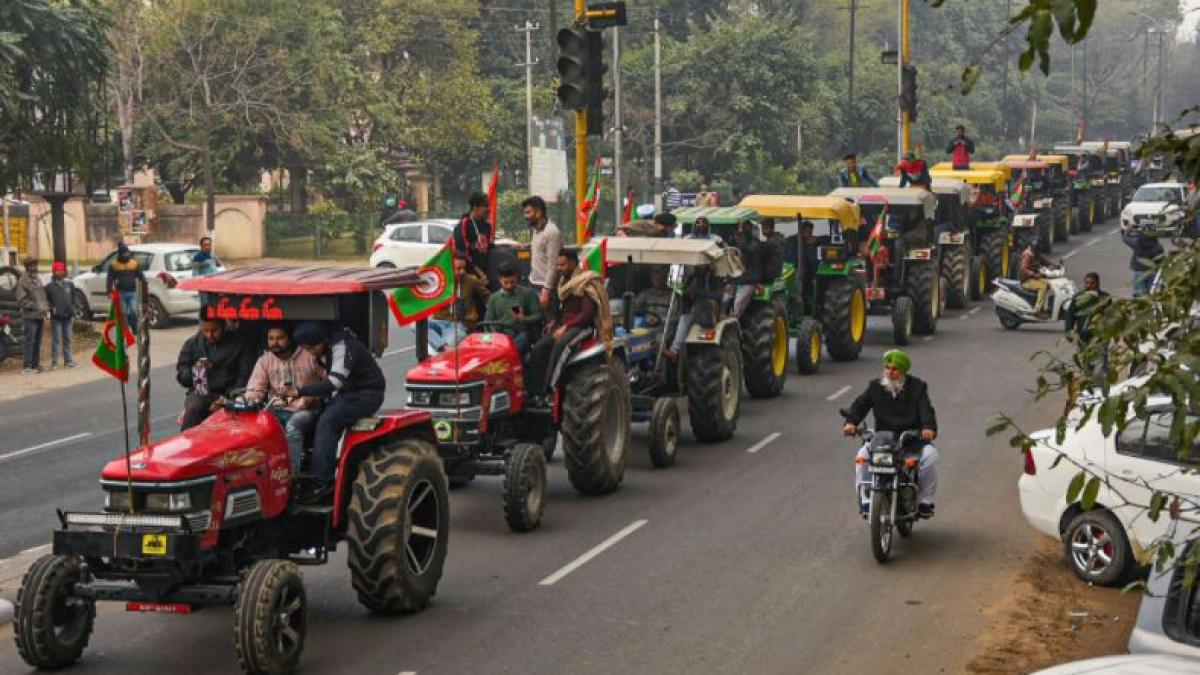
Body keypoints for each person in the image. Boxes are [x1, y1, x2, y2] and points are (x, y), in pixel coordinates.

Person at [293, 321, 388, 502]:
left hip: (367, 393)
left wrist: (299, 391)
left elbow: (334, 382)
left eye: (311, 348)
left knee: (329, 421)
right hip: (347, 393)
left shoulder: (343, 346)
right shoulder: (329, 344)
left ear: (321, 341)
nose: (310, 352)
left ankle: (322, 481)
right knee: (314, 417)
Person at [842, 350, 939, 519]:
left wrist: (928, 427)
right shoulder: (875, 387)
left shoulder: (917, 387)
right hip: (882, 440)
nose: (889, 372)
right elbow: (860, 405)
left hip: (911, 440)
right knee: (862, 457)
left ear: (903, 371)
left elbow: (926, 410)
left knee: (930, 456)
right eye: (887, 368)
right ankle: (866, 500)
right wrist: (851, 423)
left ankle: (925, 501)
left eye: (894, 369)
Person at [525, 250, 613, 405]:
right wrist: (555, 322)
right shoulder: (563, 282)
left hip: (580, 327)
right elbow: (563, 308)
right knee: (539, 348)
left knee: (560, 346)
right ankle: (535, 392)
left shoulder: (586, 282)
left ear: (573, 263)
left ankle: (551, 390)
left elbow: (586, 314)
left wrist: (566, 327)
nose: (560, 268)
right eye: (558, 265)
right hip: (563, 325)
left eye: (563, 264)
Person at [244, 324, 326, 473]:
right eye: (271, 339)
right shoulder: (264, 361)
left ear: (290, 339)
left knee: (293, 425)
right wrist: (248, 401)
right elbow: (255, 390)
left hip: (307, 411)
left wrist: (311, 396)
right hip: (275, 410)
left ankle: (291, 474)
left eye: (280, 338)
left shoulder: (309, 356)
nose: (274, 343)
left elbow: (329, 383)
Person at [176, 318, 257, 429]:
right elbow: (182, 377)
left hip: (231, 394)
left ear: (224, 326)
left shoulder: (241, 344)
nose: (210, 335)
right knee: (193, 409)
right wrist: (196, 370)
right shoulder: (192, 344)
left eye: (215, 330)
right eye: (206, 331)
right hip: (200, 393)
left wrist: (226, 399)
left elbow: (245, 376)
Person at [428, 257, 490, 351]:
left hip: (460, 324)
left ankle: (445, 349)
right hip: (440, 321)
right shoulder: (440, 281)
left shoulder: (471, 280)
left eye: (464, 268)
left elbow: (488, 296)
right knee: (415, 325)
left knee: (452, 341)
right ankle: (443, 347)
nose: (462, 272)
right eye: (458, 268)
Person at [483, 260, 542, 352]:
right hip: (501, 336)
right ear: (499, 279)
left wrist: (524, 319)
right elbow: (488, 322)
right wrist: (495, 334)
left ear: (517, 279)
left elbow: (538, 315)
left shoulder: (528, 294)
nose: (509, 286)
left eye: (512, 282)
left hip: (521, 334)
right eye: (505, 282)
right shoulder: (494, 298)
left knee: (519, 343)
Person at [525, 195, 562, 311]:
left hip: (545, 288)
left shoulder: (551, 232)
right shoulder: (536, 230)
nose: (525, 217)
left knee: (548, 324)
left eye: (528, 213)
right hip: (533, 283)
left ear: (539, 212)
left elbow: (553, 264)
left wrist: (546, 290)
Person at [15, 257, 48, 374]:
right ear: (27, 267)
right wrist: (34, 305)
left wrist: (45, 309)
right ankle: (27, 366)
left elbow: (42, 296)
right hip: (30, 316)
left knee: (38, 341)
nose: (35, 267)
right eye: (33, 265)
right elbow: (21, 299)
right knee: (30, 340)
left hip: (40, 315)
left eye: (36, 265)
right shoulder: (22, 281)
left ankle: (35, 364)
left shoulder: (38, 279)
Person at [43, 261, 77, 369]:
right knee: (56, 340)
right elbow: (45, 301)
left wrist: (75, 309)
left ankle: (68, 360)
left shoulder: (69, 285)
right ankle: (54, 362)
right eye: (58, 270)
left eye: (62, 270)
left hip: (68, 316)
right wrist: (50, 308)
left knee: (68, 339)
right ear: (54, 272)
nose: (60, 272)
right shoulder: (49, 287)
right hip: (56, 318)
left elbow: (74, 299)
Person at [106, 242, 145, 332]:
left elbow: (141, 276)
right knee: (123, 313)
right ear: (120, 254)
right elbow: (109, 279)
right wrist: (109, 291)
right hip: (121, 293)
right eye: (124, 254)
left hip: (132, 292)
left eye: (127, 254)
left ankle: (135, 328)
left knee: (133, 311)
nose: (126, 256)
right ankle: (126, 331)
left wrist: (145, 283)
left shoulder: (134, 263)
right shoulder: (114, 265)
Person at [730, 219, 763, 319]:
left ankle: (732, 324)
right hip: (733, 281)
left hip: (748, 281)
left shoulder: (753, 244)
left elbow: (748, 252)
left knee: (736, 309)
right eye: (740, 227)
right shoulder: (733, 243)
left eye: (744, 227)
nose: (740, 230)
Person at [1064, 272, 1110, 343]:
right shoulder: (1078, 297)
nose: (1089, 286)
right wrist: (1069, 332)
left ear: (1098, 283)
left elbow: (1112, 315)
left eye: (1092, 283)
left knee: (1101, 354)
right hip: (1083, 336)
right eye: (1087, 283)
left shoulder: (1105, 298)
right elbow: (1070, 315)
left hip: (1100, 337)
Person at [455, 192, 493, 278]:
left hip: (484, 276)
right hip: (468, 276)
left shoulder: (487, 226)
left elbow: (489, 248)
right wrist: (480, 273)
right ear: (475, 207)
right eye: (486, 206)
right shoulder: (464, 224)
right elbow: (462, 254)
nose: (489, 209)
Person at [1121, 225, 1165, 297]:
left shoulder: (1137, 243)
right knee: (1152, 294)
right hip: (1152, 271)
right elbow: (1161, 260)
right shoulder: (1158, 246)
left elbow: (1125, 238)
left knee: (1140, 295)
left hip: (1139, 271)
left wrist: (1129, 229)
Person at [1017, 242, 1056, 316]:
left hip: (1034, 278)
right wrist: (1033, 274)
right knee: (1043, 287)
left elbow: (1046, 261)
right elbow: (1023, 269)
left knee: (1049, 284)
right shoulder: (1028, 255)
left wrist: (1054, 265)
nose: (1038, 253)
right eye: (1037, 251)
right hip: (1027, 280)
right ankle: (1037, 310)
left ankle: (1044, 306)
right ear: (1033, 249)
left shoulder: (1037, 253)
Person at [760, 217, 786, 284]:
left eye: (766, 228)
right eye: (762, 227)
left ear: (772, 227)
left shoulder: (772, 242)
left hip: (772, 275)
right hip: (778, 273)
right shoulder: (778, 238)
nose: (763, 230)